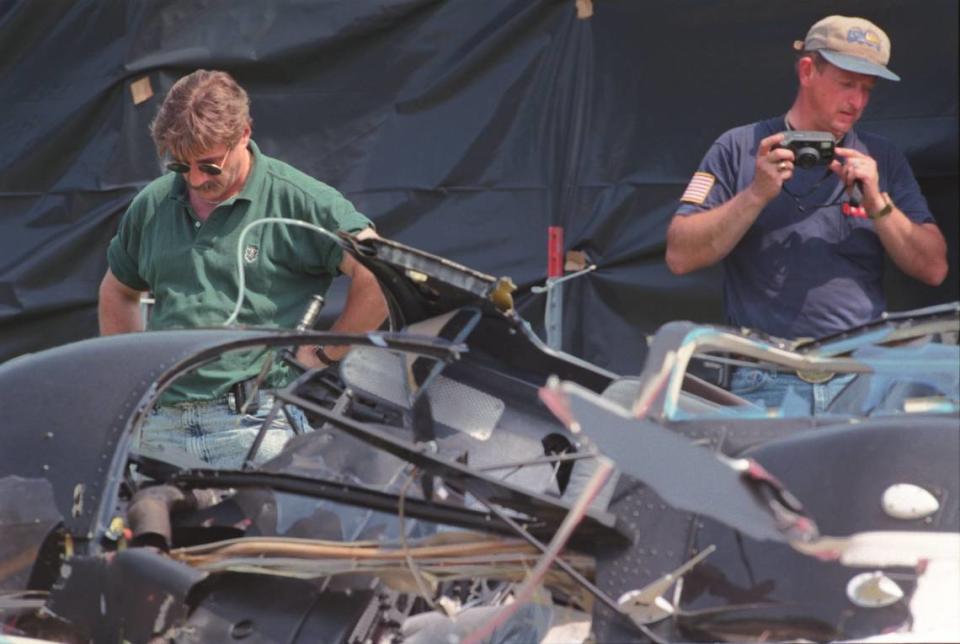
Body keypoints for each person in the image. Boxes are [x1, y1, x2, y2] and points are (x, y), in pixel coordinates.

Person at [98, 69, 387, 466]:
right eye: (181, 167)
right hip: (157, 425)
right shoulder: (152, 203)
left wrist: (324, 352)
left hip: (252, 421)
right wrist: (130, 384)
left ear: (245, 134)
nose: (196, 179)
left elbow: (381, 273)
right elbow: (118, 290)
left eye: (210, 165)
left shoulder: (299, 200)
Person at [665, 16, 948, 414]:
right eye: (847, 83)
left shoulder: (881, 158)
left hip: (862, 378)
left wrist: (879, 205)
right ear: (807, 70)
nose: (857, 101)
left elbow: (934, 268)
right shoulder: (739, 148)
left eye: (867, 89)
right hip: (764, 379)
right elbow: (680, 255)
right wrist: (755, 194)